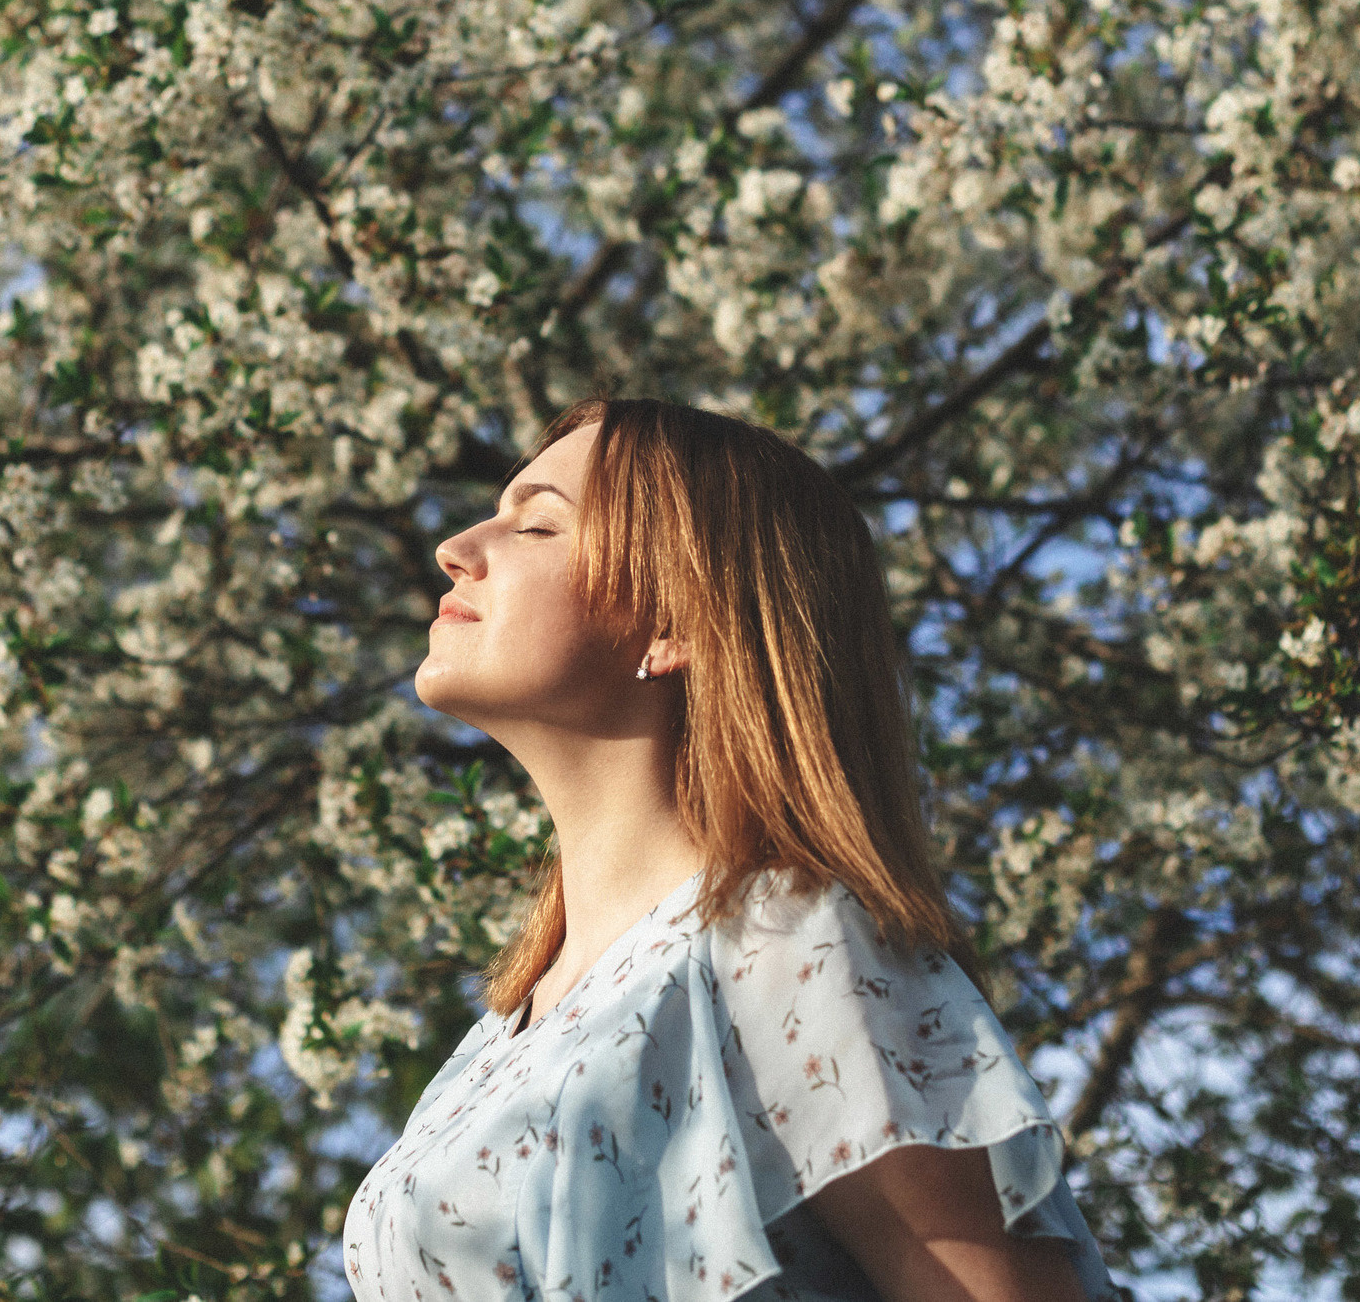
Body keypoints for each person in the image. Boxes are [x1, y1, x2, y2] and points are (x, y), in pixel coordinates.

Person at [341, 399, 1117, 1302]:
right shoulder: (499, 1036)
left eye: (539, 522)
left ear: (676, 621)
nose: (459, 545)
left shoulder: (789, 942)